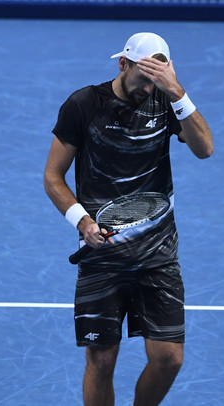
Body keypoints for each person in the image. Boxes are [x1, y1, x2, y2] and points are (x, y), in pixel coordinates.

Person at [44, 32, 213, 406]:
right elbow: (53, 175)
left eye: (157, 78)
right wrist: (82, 221)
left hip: (158, 254)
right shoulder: (84, 105)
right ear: (123, 64)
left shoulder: (166, 100)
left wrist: (177, 93)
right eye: (143, 77)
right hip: (102, 257)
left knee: (169, 359)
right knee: (101, 361)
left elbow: (205, 149)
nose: (148, 87)